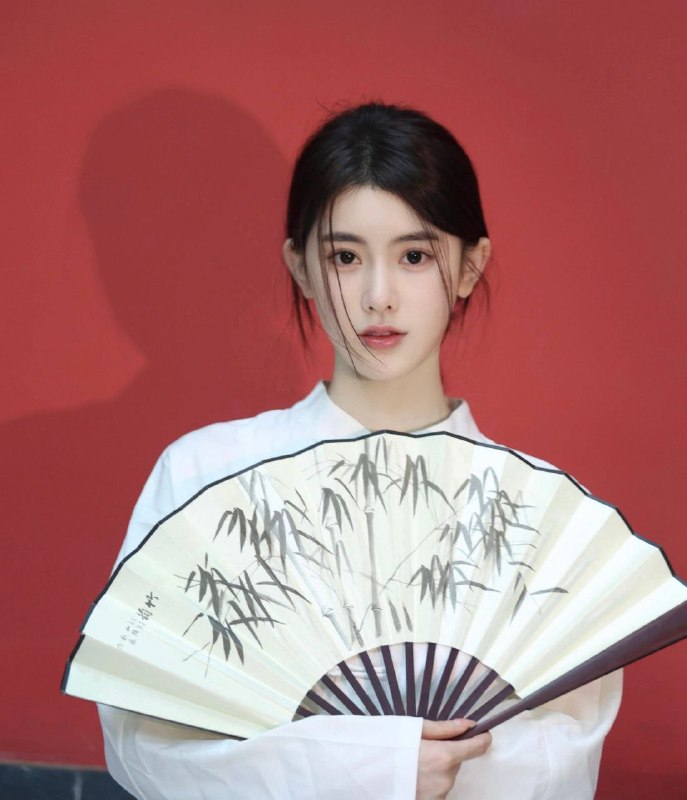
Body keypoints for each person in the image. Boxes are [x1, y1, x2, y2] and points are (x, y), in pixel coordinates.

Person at [98, 102, 622, 799]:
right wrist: (372, 766)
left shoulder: (543, 517)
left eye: (414, 256)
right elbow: (145, 745)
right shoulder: (203, 473)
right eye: (345, 257)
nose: (379, 297)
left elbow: (560, 766)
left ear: (470, 266)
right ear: (301, 267)